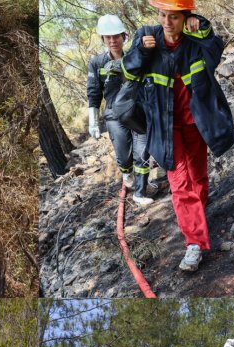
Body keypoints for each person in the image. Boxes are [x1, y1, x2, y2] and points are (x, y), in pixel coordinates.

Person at [122, 0, 234, 271]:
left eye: (173, 16)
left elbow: (215, 53)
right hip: (165, 128)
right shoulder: (146, 38)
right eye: (162, 14)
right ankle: (194, 243)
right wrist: (139, 51)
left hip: (196, 123)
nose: (166, 21)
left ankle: (197, 212)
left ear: (186, 17)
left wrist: (204, 29)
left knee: (198, 176)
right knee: (180, 183)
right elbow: (128, 71)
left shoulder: (196, 40)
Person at [88, 15, 156, 205]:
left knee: (142, 152)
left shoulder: (134, 57)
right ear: (103, 39)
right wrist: (92, 121)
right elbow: (93, 92)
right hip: (114, 115)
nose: (112, 41)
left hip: (137, 111)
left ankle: (141, 190)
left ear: (123, 36)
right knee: (124, 154)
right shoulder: (97, 63)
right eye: (108, 37)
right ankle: (127, 174)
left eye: (116, 36)